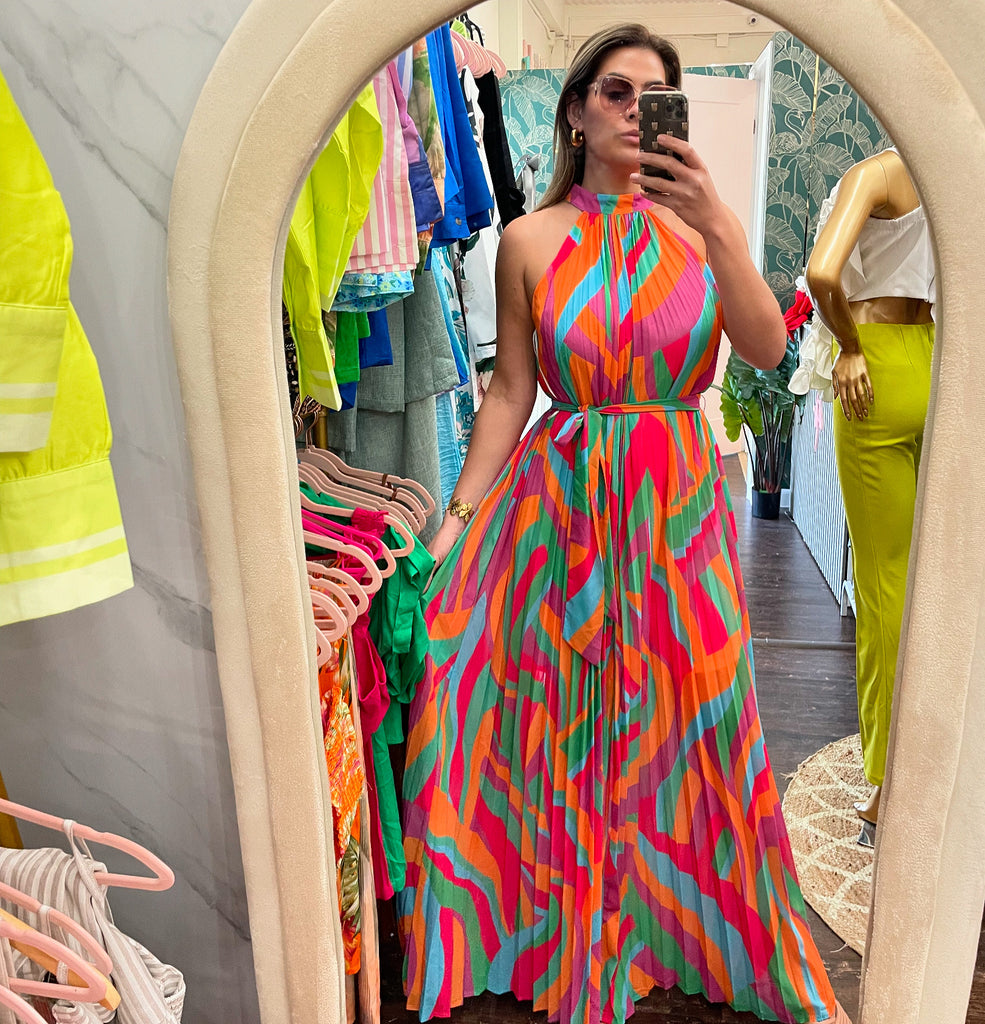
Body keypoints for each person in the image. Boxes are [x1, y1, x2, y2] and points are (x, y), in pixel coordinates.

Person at [399, 23, 850, 1024]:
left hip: (677, 511)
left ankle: (682, 924)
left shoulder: (698, 232)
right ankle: (571, 932)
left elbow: (764, 347)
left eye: (656, 95)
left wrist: (718, 222)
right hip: (558, 510)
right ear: (574, 111)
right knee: (563, 715)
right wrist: (454, 522)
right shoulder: (529, 240)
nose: (636, 110)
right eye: (615, 91)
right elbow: (509, 392)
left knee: (694, 713)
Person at [804, 149, 935, 836]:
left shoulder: (879, 173)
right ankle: (933, 755)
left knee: (883, 585)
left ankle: (888, 780)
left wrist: (849, 346)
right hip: (936, 360)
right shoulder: (954, 168)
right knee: (927, 580)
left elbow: (822, 272)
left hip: (876, 367)